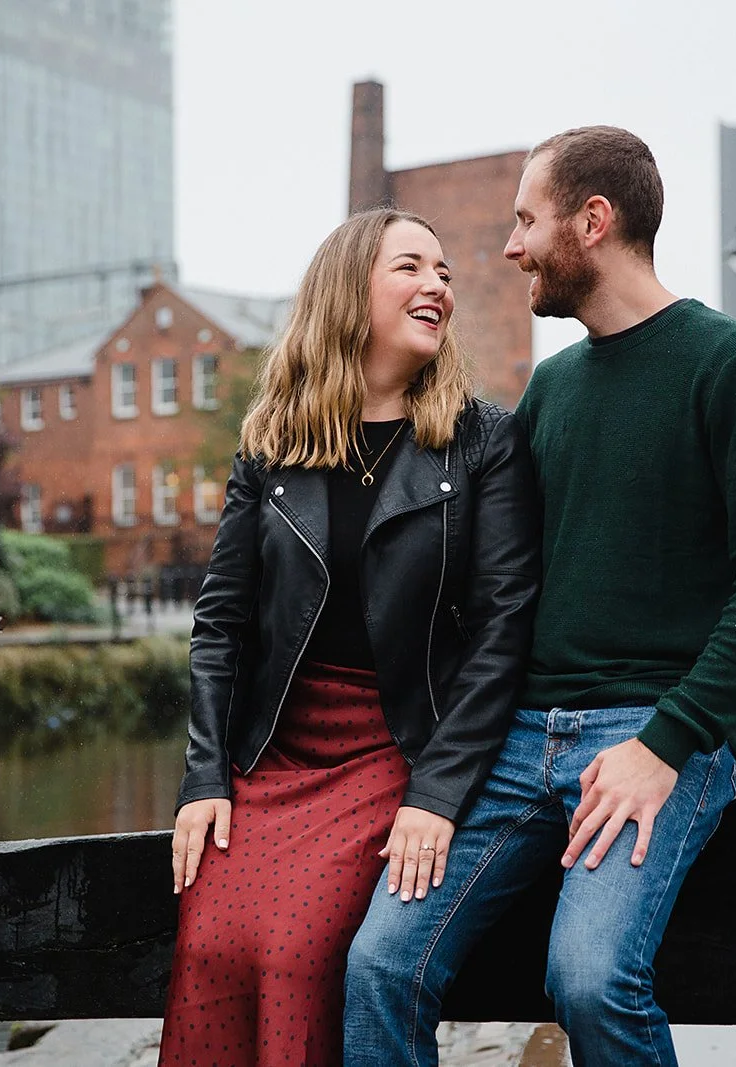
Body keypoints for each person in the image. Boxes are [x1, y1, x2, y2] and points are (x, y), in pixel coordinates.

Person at [344, 127, 736, 1065]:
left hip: (655, 732)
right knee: (378, 965)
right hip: (521, 738)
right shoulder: (552, 389)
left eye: (528, 219)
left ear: (592, 222)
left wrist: (666, 742)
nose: (513, 245)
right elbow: (485, 580)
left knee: (592, 979)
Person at [159, 207, 542, 1067]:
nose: (437, 285)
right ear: (349, 290)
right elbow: (221, 622)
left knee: (298, 952)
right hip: (274, 755)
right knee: (208, 950)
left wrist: (436, 795)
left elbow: (502, 632)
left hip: (393, 747)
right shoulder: (273, 444)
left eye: (444, 272)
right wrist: (204, 775)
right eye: (412, 266)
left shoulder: (482, 440)